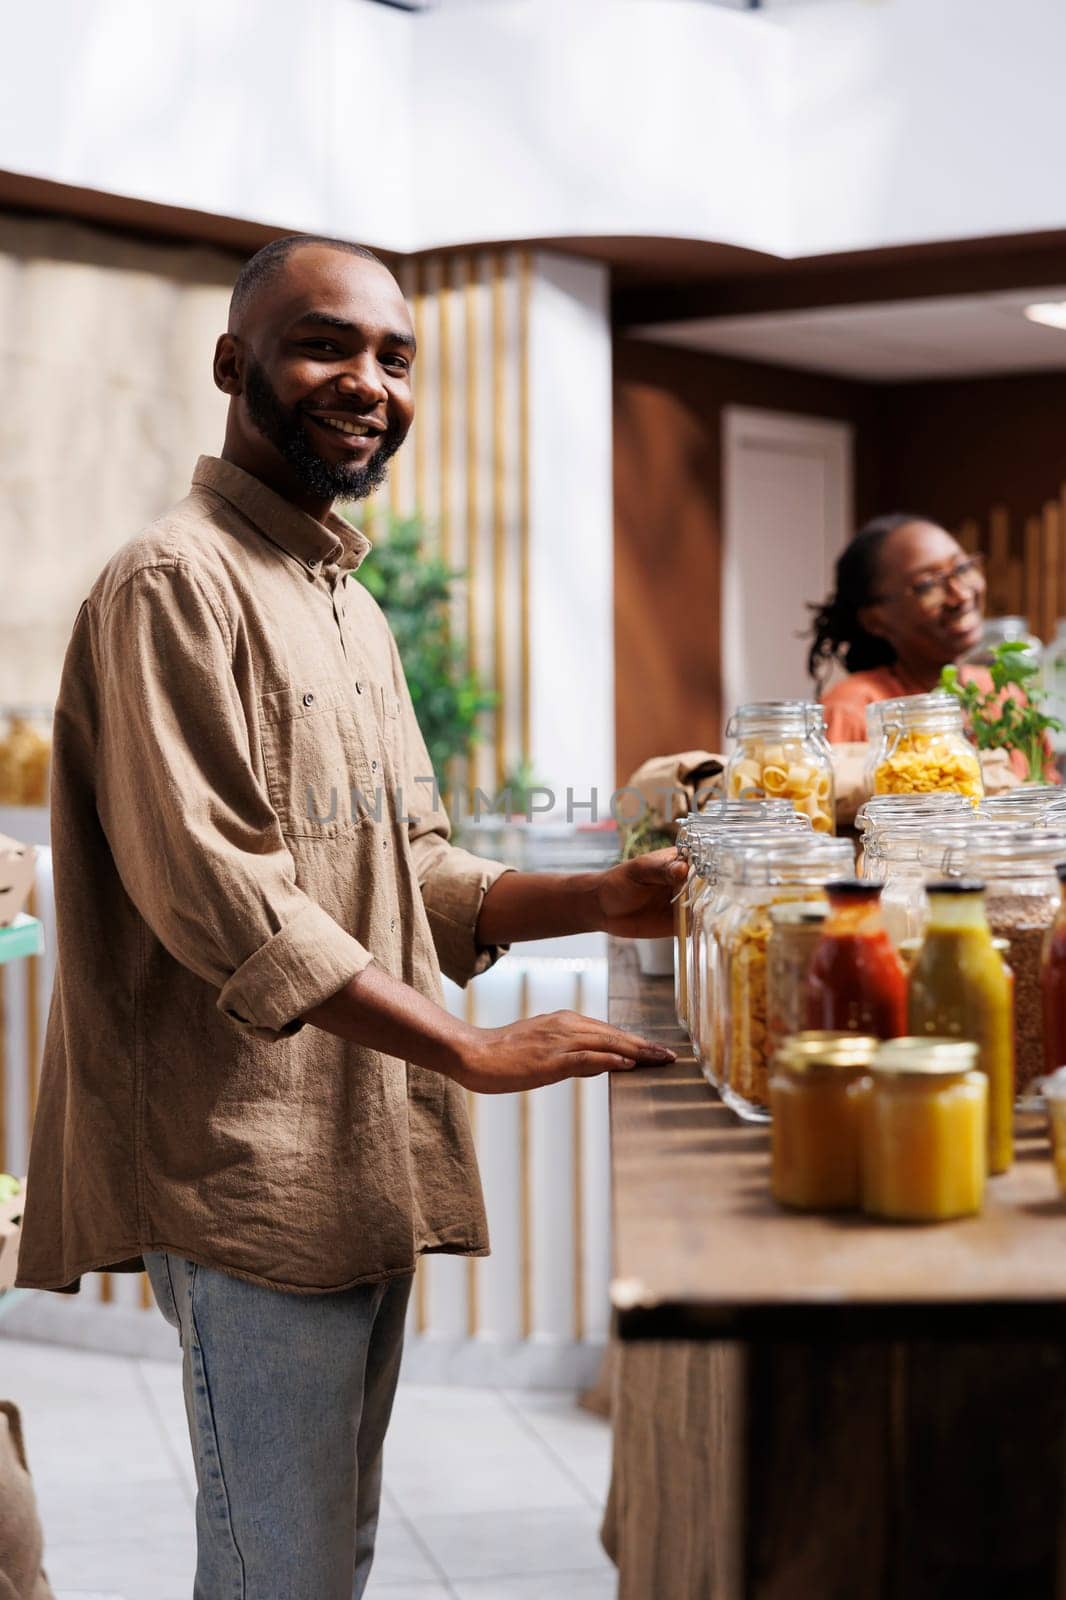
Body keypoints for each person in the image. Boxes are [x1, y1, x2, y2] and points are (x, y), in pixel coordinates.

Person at [15, 235, 685, 1600]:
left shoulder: (349, 602)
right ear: (231, 364)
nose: (367, 380)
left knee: (328, 1557)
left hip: (361, 1151)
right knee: (286, 1570)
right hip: (244, 1164)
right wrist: (464, 1049)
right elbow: (221, 895)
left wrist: (601, 897)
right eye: (326, 343)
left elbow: (418, 873)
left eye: (394, 356)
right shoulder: (171, 582)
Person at [809, 512, 988, 742]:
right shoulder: (851, 711)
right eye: (927, 586)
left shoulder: (1003, 695)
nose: (961, 595)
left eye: (962, 569)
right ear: (875, 620)